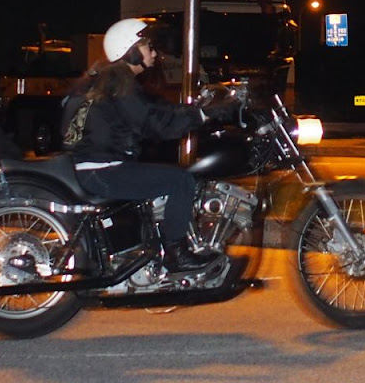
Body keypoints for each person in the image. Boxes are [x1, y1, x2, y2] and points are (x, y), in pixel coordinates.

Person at [62, 18, 236, 273]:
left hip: (94, 166)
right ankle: (176, 255)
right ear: (130, 51)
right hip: (102, 170)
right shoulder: (118, 84)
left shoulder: (108, 81)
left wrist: (195, 111)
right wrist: (202, 115)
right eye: (148, 47)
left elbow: (155, 109)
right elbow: (154, 123)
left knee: (165, 175)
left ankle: (155, 247)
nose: (154, 53)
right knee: (180, 181)